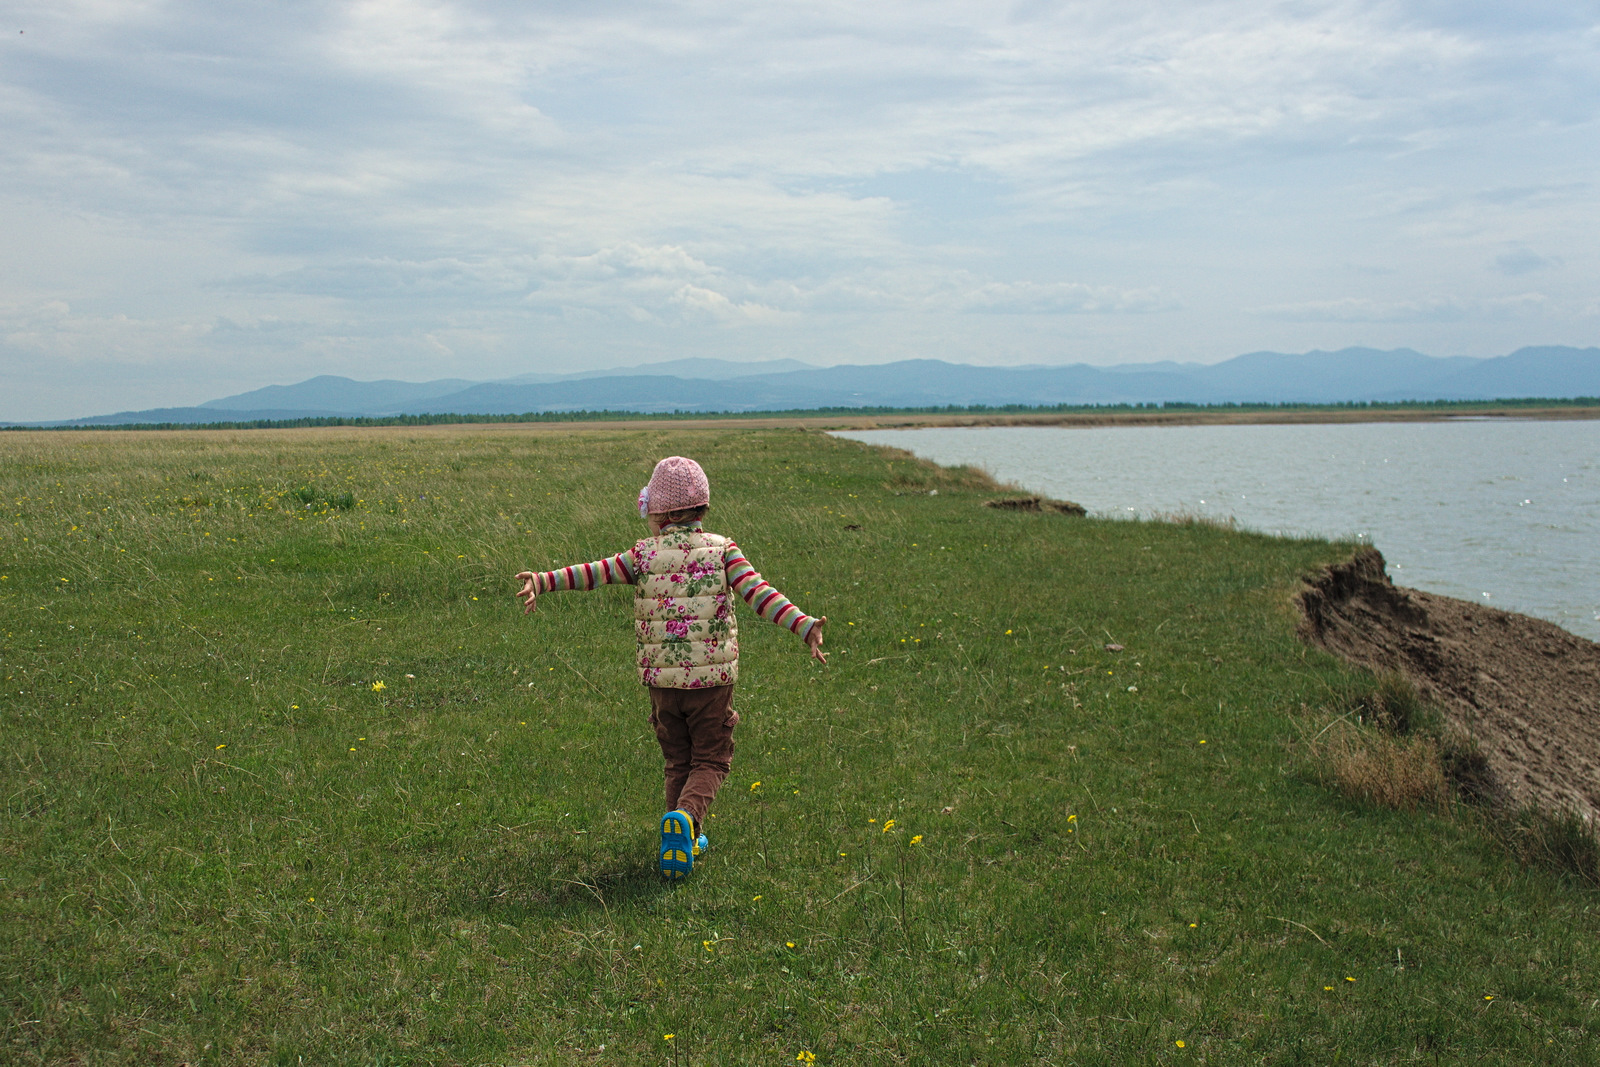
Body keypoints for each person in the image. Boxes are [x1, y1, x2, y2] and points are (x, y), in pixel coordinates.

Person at [514, 455, 826, 879]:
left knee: (678, 759)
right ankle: (687, 820)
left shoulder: (642, 555)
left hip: (661, 683)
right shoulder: (723, 550)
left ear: (661, 513)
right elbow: (760, 593)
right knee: (713, 758)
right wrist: (803, 625)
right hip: (711, 681)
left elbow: (594, 573)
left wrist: (543, 579)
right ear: (700, 510)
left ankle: (675, 840)